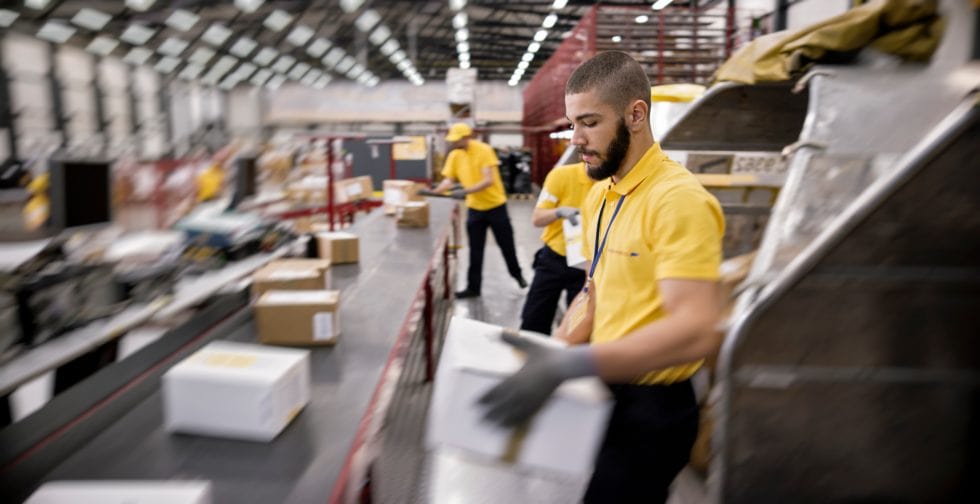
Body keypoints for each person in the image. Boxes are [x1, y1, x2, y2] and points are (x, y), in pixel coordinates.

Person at [479, 51, 725, 503]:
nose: (576, 139)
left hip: (656, 405)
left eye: (589, 122)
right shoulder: (599, 197)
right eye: (573, 123)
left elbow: (696, 330)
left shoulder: (678, 200)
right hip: (608, 388)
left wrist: (574, 364)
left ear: (636, 114)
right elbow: (593, 291)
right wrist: (552, 356)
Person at [430, 123, 527, 298]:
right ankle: (473, 288)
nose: (455, 142)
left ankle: (517, 275)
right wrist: (433, 192)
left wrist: (465, 191)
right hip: (475, 209)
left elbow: (488, 180)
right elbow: (448, 181)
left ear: (466, 137)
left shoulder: (484, 150)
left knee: (507, 245)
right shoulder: (455, 155)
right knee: (475, 250)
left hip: (496, 207)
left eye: (458, 139)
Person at [519, 161, 595, 334]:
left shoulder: (612, 183)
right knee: (533, 320)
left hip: (586, 267)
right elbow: (537, 219)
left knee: (577, 327)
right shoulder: (561, 176)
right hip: (553, 259)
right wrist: (558, 212)